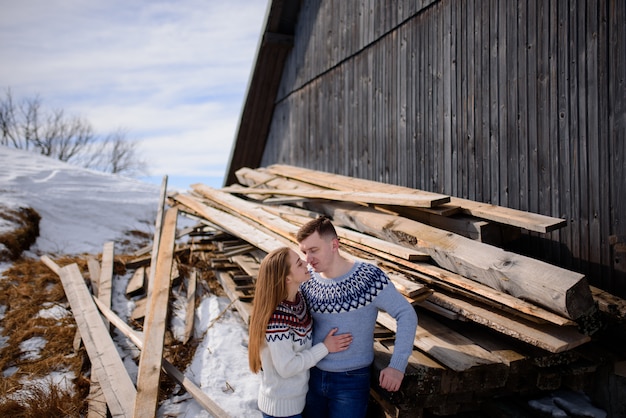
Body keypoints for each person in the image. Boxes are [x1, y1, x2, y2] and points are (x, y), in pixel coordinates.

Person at [296, 216, 418, 418]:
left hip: (351, 380)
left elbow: (406, 314)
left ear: (334, 244)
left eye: (314, 250)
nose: (308, 259)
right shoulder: (307, 278)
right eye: (304, 252)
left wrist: (397, 366)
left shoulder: (368, 278)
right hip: (311, 375)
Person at [248, 246, 353, 418]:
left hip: (297, 402)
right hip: (280, 409)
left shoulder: (298, 300)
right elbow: (287, 367)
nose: (306, 262)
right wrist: (325, 348)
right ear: (287, 278)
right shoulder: (277, 319)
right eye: (299, 263)